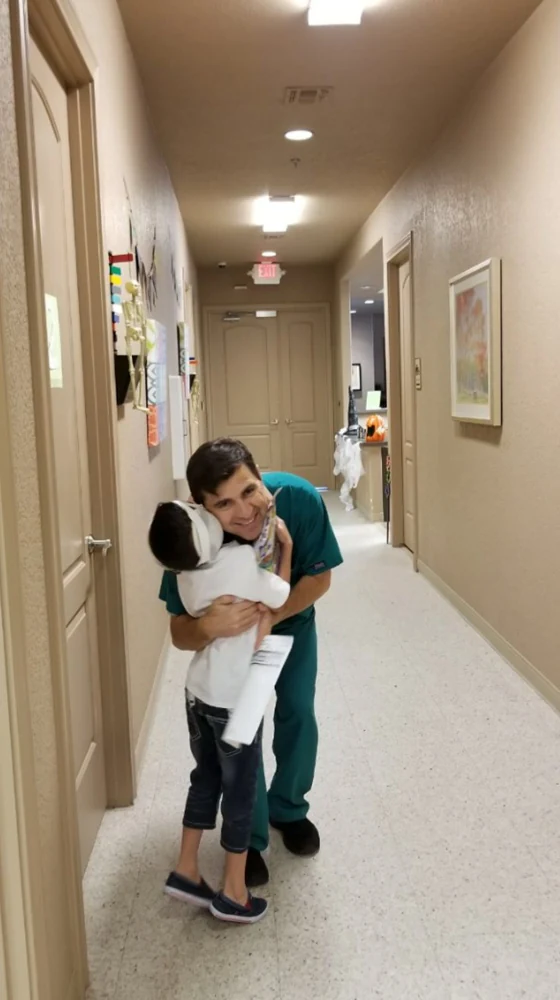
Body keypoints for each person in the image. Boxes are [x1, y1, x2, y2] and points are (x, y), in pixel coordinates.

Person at [159, 439, 343, 888]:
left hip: (291, 620)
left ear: (260, 476)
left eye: (248, 491)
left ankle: (290, 809)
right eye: (223, 503)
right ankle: (251, 838)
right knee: (242, 734)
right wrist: (210, 627)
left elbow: (319, 578)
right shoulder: (193, 540)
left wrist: (271, 615)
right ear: (200, 507)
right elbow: (179, 632)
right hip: (228, 645)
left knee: (298, 711)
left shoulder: (297, 499)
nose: (243, 512)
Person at [149, 498, 293, 924]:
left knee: (205, 777)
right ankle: (233, 891)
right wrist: (283, 546)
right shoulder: (237, 561)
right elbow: (280, 594)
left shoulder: (184, 575)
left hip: (198, 694)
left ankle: (186, 868)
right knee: (241, 793)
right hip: (236, 700)